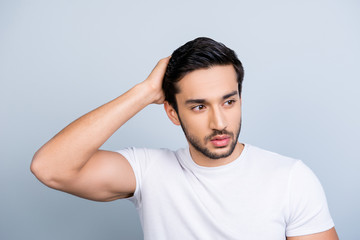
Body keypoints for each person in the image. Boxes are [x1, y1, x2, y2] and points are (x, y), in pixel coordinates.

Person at [31, 37, 338, 240]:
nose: (219, 123)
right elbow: (50, 168)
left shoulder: (290, 178)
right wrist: (144, 92)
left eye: (229, 102)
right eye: (199, 106)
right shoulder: (149, 171)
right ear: (173, 113)